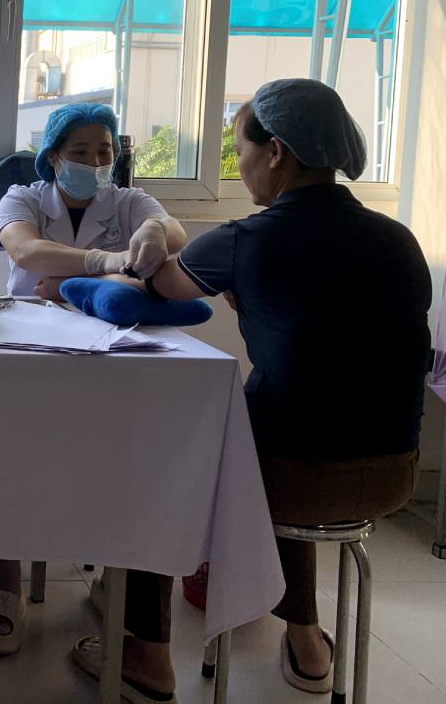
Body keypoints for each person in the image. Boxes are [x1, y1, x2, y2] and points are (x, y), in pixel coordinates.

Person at [71, 79, 429, 702]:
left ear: (277, 153)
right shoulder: (398, 238)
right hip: (394, 473)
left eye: (239, 152)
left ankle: (150, 658)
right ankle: (309, 646)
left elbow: (157, 286)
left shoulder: (249, 238)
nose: (239, 167)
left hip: (289, 477)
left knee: (160, 459)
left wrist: (127, 260)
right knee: (289, 429)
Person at [0, 103, 186, 656]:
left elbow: (173, 232)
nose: (94, 163)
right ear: (52, 157)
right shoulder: (22, 196)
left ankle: (117, 578)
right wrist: (104, 263)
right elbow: (24, 249)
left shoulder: (128, 202)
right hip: (28, 340)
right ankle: (7, 578)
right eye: (80, 152)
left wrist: (154, 229)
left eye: (104, 152)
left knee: (121, 456)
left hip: (108, 342)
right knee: (14, 454)